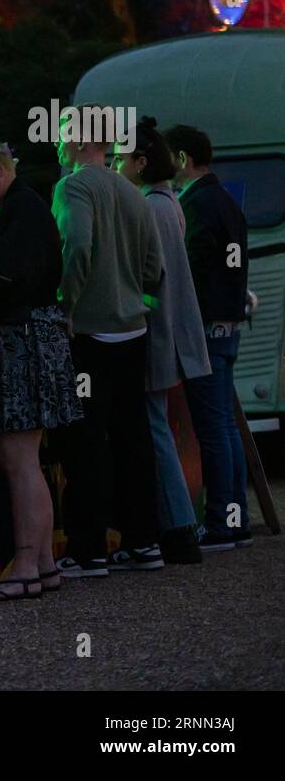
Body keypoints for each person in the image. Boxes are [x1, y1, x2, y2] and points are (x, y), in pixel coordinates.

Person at [0, 137, 82, 601]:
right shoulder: (14, 209)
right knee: (23, 460)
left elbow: (6, 279)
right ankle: (42, 563)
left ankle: (26, 564)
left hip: (20, 341)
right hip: (29, 340)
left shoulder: (20, 210)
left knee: (20, 460)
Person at [52, 104, 165, 578]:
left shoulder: (74, 186)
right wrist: (131, 290)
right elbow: (154, 266)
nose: (56, 143)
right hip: (133, 327)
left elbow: (77, 244)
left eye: (61, 134)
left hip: (90, 333)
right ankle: (143, 542)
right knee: (133, 438)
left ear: (78, 140)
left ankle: (88, 549)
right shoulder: (132, 189)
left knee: (85, 441)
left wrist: (67, 304)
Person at [109, 119, 211, 564]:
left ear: (141, 162)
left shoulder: (149, 208)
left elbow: (151, 277)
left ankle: (176, 527)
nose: (114, 165)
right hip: (171, 332)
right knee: (158, 427)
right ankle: (179, 525)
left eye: (119, 157)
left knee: (153, 429)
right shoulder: (168, 203)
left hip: (155, 332)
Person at [168, 123, 253, 551]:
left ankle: (221, 522)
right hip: (230, 327)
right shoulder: (226, 201)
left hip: (206, 331)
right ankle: (235, 519)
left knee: (213, 429)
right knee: (226, 427)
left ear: (182, 159)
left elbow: (193, 273)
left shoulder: (197, 205)